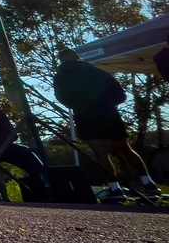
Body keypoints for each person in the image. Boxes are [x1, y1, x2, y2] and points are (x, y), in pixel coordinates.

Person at [54, 48, 163, 203]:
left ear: (62, 60)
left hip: (86, 116)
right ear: (78, 58)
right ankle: (148, 183)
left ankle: (115, 188)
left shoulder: (61, 76)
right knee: (125, 149)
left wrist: (80, 105)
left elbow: (62, 98)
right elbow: (121, 95)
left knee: (101, 153)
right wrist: (107, 104)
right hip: (109, 113)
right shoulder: (98, 72)